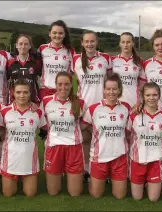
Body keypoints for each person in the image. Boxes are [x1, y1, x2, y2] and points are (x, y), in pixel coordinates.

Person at [81, 73, 130, 199]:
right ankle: (94, 178)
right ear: (104, 90)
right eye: (108, 89)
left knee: (120, 196)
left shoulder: (126, 108)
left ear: (119, 90)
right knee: (96, 195)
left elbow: (130, 131)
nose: (111, 92)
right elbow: (83, 127)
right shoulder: (93, 109)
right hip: (99, 157)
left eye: (114, 89)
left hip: (119, 157)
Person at [72, 30, 111, 182]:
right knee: (85, 140)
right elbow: (68, 82)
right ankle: (87, 170)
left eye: (92, 41)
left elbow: (109, 82)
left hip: (102, 107)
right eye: (86, 41)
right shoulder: (75, 59)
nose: (89, 44)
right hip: (83, 107)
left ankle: (104, 172)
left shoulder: (105, 58)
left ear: (97, 42)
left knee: (103, 140)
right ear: (82, 43)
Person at [40, 71, 87, 196]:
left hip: (74, 147)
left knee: (75, 193)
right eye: (59, 84)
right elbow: (42, 123)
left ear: (72, 85)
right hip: (54, 147)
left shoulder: (80, 102)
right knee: (53, 192)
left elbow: (84, 123)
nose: (63, 87)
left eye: (66, 84)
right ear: (55, 85)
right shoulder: (46, 101)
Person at [0, 79, 46, 197]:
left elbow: (45, 130)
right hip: (10, 159)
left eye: (25, 92)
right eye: (18, 92)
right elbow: (0, 130)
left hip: (29, 160)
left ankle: (23, 178)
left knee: (30, 193)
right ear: (13, 93)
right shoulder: (4, 111)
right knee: (8, 193)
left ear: (30, 93)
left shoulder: (38, 112)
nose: (22, 95)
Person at [126, 82, 162, 202]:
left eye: (154, 95)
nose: (151, 98)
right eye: (148, 95)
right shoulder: (134, 115)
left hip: (155, 161)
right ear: (143, 97)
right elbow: (127, 134)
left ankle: (149, 183)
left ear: (159, 96)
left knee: (153, 199)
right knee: (137, 198)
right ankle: (144, 182)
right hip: (137, 160)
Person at [38, 20, 75, 99]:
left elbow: (73, 72)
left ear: (64, 35)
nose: (57, 35)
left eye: (60, 33)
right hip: (45, 91)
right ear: (50, 33)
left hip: (64, 92)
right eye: (54, 33)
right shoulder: (42, 48)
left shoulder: (70, 51)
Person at [110, 32, 146, 108]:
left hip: (134, 103)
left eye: (128, 42)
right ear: (120, 44)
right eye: (123, 42)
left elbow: (142, 86)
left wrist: (140, 102)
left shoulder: (140, 61)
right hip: (116, 102)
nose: (125, 45)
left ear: (133, 43)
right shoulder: (112, 60)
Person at [6, 34, 42, 106]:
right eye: (20, 44)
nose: (23, 46)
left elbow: (42, 79)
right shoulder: (10, 63)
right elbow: (5, 81)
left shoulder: (36, 62)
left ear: (29, 46)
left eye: (26, 44)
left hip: (32, 102)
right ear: (16, 45)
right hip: (14, 102)